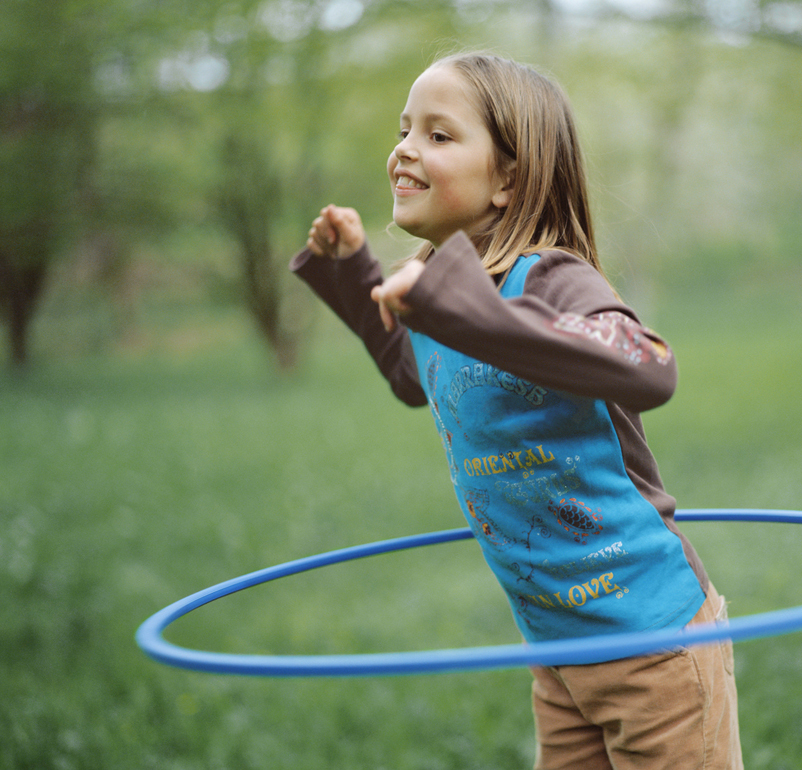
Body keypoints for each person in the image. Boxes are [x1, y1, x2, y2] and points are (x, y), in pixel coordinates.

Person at [291, 51, 743, 770]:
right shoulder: (444, 295)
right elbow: (416, 378)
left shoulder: (552, 275)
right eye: (405, 130)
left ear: (509, 177)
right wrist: (355, 275)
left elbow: (650, 366)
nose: (405, 149)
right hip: (560, 654)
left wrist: (461, 309)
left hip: (653, 642)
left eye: (439, 136)